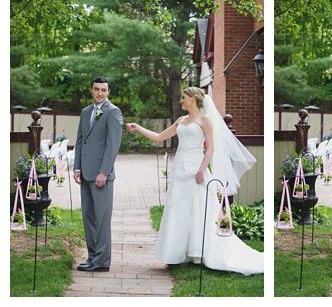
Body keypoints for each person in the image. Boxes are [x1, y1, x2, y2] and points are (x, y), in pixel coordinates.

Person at [126, 87, 262, 275]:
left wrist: (200, 171)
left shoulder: (205, 120)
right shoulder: (181, 121)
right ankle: (177, 254)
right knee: (178, 210)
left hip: (195, 170)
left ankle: (200, 253)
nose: (181, 101)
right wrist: (138, 128)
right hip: (180, 170)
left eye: (183, 98)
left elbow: (211, 148)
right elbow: (159, 138)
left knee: (199, 210)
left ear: (193, 99)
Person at [73, 76, 123, 272]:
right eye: (96, 89)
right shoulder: (85, 112)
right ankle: (92, 257)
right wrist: (77, 168)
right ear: (91, 90)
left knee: (102, 219)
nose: (100, 93)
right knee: (88, 218)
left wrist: (104, 172)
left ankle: (102, 262)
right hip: (85, 174)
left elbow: (112, 146)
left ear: (108, 92)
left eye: (103, 90)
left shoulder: (113, 112)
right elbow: (79, 141)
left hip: (102, 176)